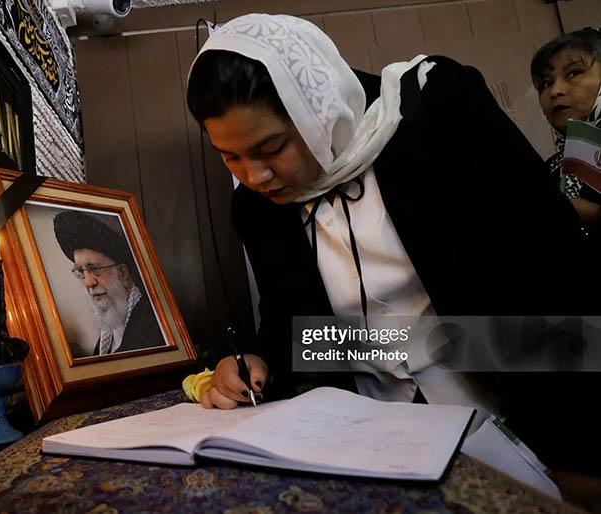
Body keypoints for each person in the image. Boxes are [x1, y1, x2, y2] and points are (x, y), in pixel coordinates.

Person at [186, 13, 601, 475]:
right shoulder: (258, 208)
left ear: (319, 109)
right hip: (368, 442)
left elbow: (554, 269)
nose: (255, 175)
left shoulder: (435, 113)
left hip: (519, 422)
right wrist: (260, 361)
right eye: (231, 156)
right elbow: (297, 331)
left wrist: (576, 451)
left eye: (272, 148)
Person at [53, 210, 165, 355]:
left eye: (95, 269)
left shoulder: (155, 328)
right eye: (81, 271)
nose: (88, 283)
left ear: (122, 273)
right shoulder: (110, 330)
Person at [531, 28, 601, 232]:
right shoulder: (547, 171)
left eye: (574, 73)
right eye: (546, 83)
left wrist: (595, 216)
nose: (555, 91)